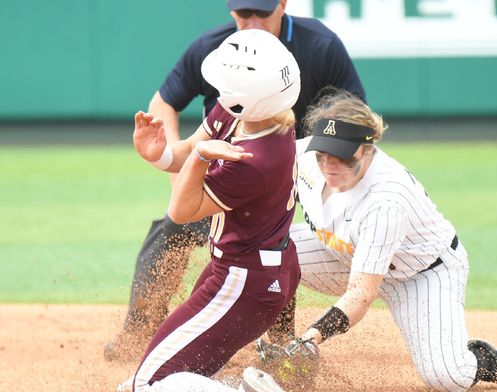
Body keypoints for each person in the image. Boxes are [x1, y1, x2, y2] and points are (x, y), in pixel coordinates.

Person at [104, 0, 367, 361]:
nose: (253, 22)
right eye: (245, 14)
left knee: (273, 246)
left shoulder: (319, 45)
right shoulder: (220, 59)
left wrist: (329, 178)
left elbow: (353, 116)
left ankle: (278, 346)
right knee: (168, 232)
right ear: (231, 12)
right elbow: (163, 104)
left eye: (262, 12)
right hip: (230, 179)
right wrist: (173, 166)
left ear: (283, 5)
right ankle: (138, 334)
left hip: (300, 174)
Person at [256, 88, 497, 392]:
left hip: (420, 274)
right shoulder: (302, 157)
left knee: (448, 378)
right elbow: (247, 171)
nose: (329, 165)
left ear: (367, 149)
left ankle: (489, 360)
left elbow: (362, 294)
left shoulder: (386, 198)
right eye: (324, 154)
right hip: (346, 255)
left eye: (341, 155)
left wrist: (311, 339)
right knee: (267, 252)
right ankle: (280, 345)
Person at [130, 29, 308, 392]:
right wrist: (161, 156)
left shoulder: (255, 160)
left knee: (145, 389)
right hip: (246, 269)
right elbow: (191, 148)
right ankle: (244, 389)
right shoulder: (250, 113)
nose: (222, 89)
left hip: (246, 282)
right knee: (170, 371)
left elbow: (180, 211)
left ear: (250, 96)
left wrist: (200, 159)